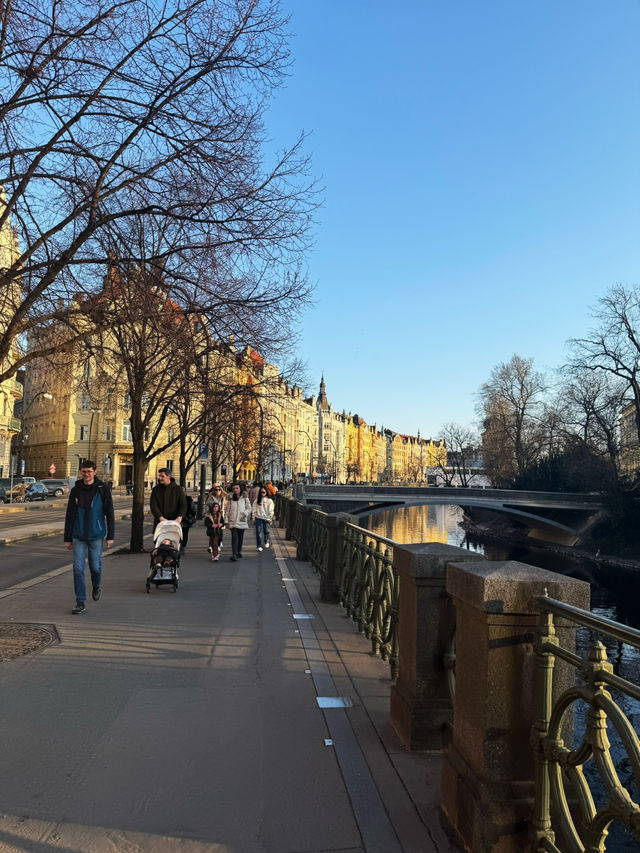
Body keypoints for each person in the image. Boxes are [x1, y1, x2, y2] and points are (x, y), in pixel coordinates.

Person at [64, 461, 115, 614]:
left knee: (95, 566)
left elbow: (109, 513)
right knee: (78, 568)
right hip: (78, 535)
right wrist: (67, 538)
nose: (86, 474)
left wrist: (110, 536)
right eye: (84, 472)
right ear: (81, 472)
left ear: (95, 472)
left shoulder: (102, 489)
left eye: (89, 472)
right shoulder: (76, 490)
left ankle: (96, 585)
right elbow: (70, 515)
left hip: (96, 534)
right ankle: (80, 601)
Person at [224, 482, 251, 562]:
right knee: (234, 538)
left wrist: (244, 513)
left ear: (240, 489)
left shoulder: (245, 498)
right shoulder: (231, 498)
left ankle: (239, 551)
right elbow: (227, 510)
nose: (235, 490)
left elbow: (249, 508)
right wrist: (226, 521)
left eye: (237, 488)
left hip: (241, 520)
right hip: (233, 521)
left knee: (240, 538)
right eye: (234, 488)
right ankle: (234, 554)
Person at [252, 486, 274, 551]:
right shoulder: (257, 500)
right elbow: (254, 509)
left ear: (266, 492)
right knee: (258, 532)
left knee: (266, 531)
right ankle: (259, 545)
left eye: (264, 492)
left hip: (266, 518)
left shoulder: (269, 500)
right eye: (261, 492)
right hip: (258, 517)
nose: (262, 494)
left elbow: (271, 510)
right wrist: (253, 518)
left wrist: (270, 518)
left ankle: (266, 541)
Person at [205, 483, 225, 549]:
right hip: (212, 515)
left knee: (220, 530)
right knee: (212, 530)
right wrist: (207, 512)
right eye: (216, 489)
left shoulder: (224, 497)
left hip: (221, 515)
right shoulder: (210, 497)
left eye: (219, 489)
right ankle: (211, 545)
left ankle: (219, 542)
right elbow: (207, 505)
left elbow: (227, 506)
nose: (217, 491)